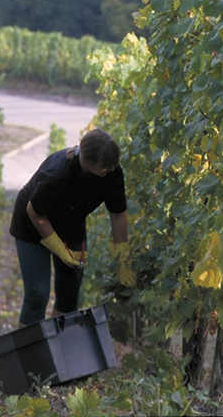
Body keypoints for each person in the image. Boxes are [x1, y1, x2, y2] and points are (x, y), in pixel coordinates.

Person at [9, 127, 134, 326]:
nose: (108, 171)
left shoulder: (112, 172)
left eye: (111, 167)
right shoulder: (58, 173)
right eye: (104, 168)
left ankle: (59, 349)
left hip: (71, 225)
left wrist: (122, 257)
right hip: (32, 225)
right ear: (88, 162)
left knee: (69, 296)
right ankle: (32, 354)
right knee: (37, 294)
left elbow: (118, 214)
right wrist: (59, 248)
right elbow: (34, 211)